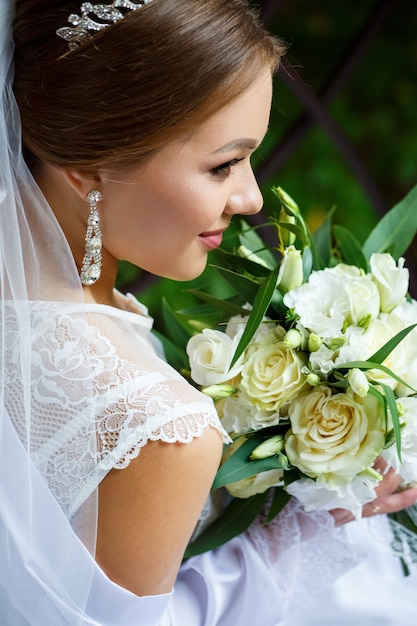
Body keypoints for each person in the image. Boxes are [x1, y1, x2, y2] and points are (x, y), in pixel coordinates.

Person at [1, 0, 416, 624]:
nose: (250, 198)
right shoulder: (155, 426)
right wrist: (308, 527)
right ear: (89, 166)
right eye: (223, 164)